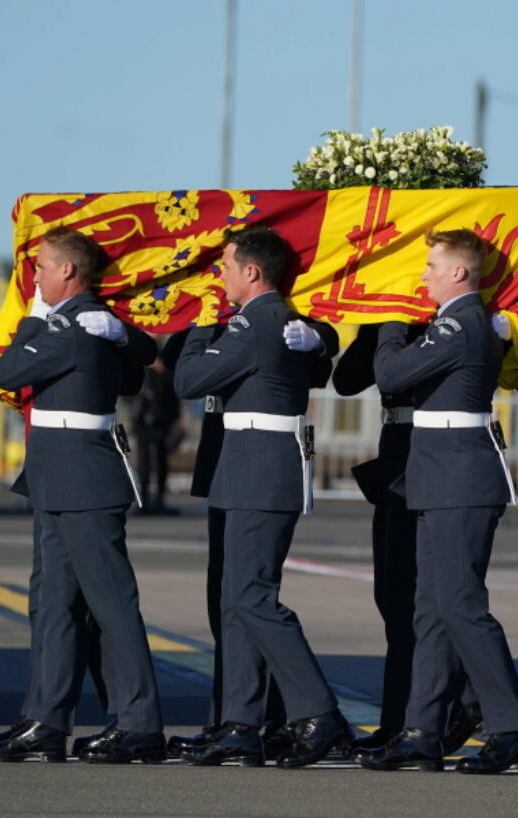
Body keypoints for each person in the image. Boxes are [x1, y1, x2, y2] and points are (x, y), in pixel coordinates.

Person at [0, 226, 165, 763]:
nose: (34, 275)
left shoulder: (72, 325)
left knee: (111, 605)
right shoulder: (92, 324)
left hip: (82, 480)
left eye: (41, 265)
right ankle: (45, 718)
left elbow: (8, 371)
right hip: (59, 478)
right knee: (52, 606)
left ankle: (139, 724)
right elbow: (134, 367)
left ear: (68, 271)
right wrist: (123, 338)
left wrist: (34, 318)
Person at [354, 229, 518, 774]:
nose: (423, 275)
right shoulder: (454, 322)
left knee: (460, 607)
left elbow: (389, 373)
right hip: (439, 478)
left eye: (432, 265)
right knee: (429, 610)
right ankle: (422, 729)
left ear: (459, 273)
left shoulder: (458, 323)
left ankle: (512, 728)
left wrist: (387, 317)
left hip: (459, 481)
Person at [173, 225, 350, 768]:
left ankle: (319, 713)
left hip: (260, 469)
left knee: (252, 597)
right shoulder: (275, 321)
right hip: (244, 467)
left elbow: (187, 380)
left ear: (252, 272)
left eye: (225, 264)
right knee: (235, 601)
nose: (218, 274)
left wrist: (203, 327)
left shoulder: (256, 323)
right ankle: (240, 722)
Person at [333, 323, 487, 757]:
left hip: (433, 451)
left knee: (423, 599)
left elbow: (395, 376)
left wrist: (403, 330)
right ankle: (418, 713)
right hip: (396, 450)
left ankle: (427, 714)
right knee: (392, 595)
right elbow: (347, 381)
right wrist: (378, 328)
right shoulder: (388, 323)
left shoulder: (446, 326)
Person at [132, 351, 182, 514]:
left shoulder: (166, 374)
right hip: (143, 423)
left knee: (161, 462)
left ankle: (159, 500)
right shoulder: (142, 371)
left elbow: (173, 396)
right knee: (144, 463)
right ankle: (144, 500)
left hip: (161, 422)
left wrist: (175, 419)